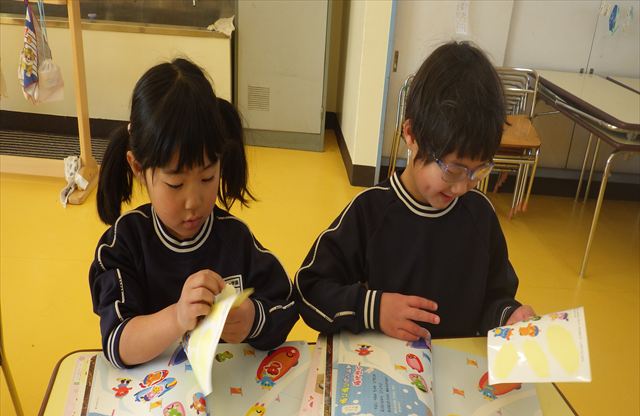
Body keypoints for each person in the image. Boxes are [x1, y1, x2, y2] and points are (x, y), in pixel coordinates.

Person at [295, 41, 535, 342]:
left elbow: (495, 297)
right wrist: (373, 309)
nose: (463, 187)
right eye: (453, 169)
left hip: (455, 366)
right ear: (411, 134)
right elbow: (309, 290)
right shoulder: (370, 212)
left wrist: (507, 315)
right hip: (378, 366)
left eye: (479, 171)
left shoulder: (480, 215)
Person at [89, 58, 297, 368]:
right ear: (138, 168)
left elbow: (286, 305)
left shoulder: (234, 238)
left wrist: (253, 320)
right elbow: (118, 343)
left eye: (207, 177)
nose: (193, 201)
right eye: (175, 184)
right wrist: (177, 317)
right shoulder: (125, 243)